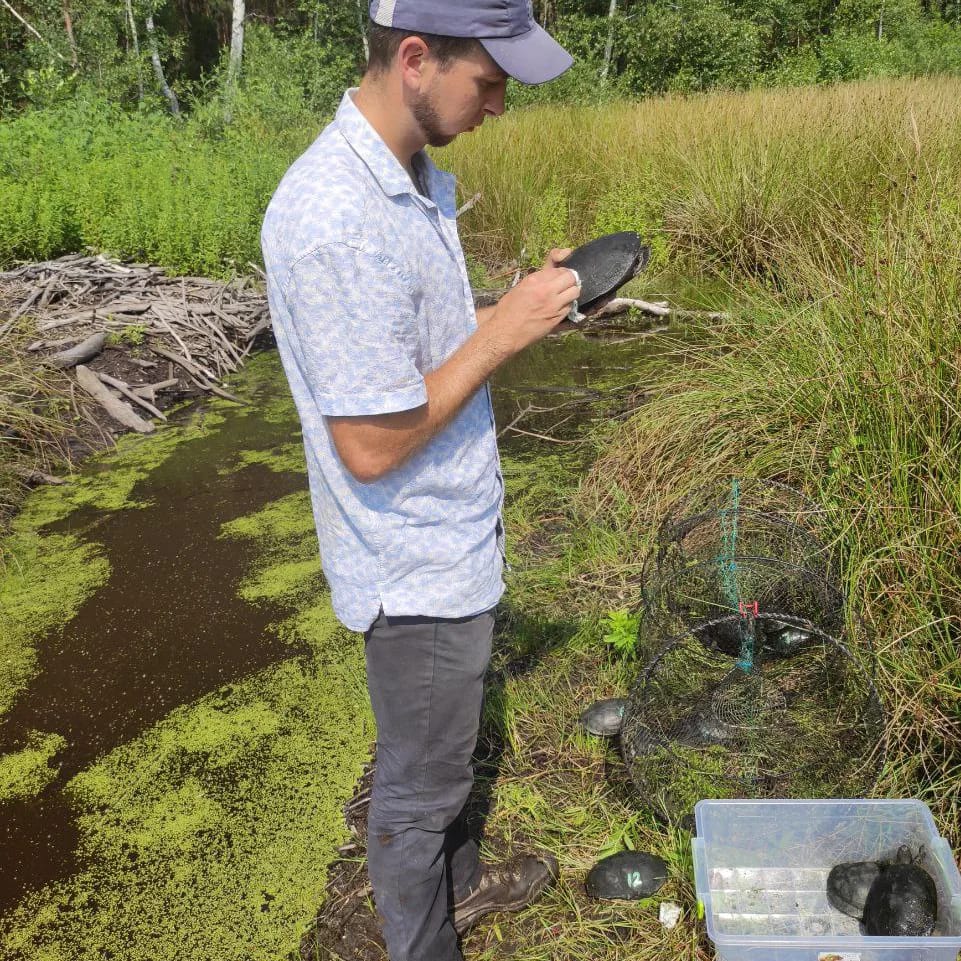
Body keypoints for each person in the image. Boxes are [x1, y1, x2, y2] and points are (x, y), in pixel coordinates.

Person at [260, 3, 579, 959]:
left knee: (441, 757)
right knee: (418, 784)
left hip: (452, 527)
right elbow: (367, 441)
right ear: (414, 59)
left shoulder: (410, 173)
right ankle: (421, 941)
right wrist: (502, 332)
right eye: (489, 83)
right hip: (412, 562)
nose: (498, 107)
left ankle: (462, 880)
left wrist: (518, 305)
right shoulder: (333, 218)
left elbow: (408, 344)